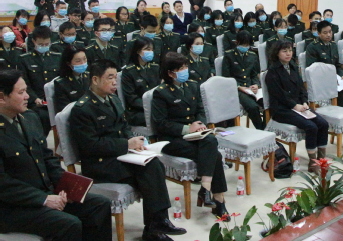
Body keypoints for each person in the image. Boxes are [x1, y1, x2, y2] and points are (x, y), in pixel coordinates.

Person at [70, 60, 186, 241]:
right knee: (150, 171)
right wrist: (126, 144)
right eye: (110, 78)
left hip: (119, 156)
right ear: (95, 80)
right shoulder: (83, 109)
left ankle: (156, 224)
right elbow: (91, 146)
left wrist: (135, 142)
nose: (114, 82)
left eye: (115, 78)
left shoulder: (114, 99)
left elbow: (124, 127)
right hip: (99, 164)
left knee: (153, 163)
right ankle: (155, 226)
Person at [0, 69, 112, 241]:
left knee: (99, 205)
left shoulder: (29, 118)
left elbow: (47, 158)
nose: (27, 96)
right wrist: (43, 199)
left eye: (26, 91)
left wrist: (66, 185)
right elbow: (3, 184)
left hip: (44, 192)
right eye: (21, 92)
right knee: (69, 224)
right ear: (2, 97)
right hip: (13, 207)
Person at [153, 52, 230, 219]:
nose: (185, 71)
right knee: (214, 154)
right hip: (172, 140)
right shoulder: (161, 93)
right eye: (181, 68)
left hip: (196, 136)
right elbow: (161, 124)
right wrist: (187, 128)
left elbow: (201, 110)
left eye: (186, 67)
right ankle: (217, 199)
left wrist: (201, 124)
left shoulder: (193, 86)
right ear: (170, 73)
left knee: (210, 140)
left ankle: (206, 190)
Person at [265, 40, 329, 173]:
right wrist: (295, 106)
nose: (288, 53)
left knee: (323, 124)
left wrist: (304, 101)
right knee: (311, 127)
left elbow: (302, 88)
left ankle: (321, 159)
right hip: (282, 109)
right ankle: (313, 162)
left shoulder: (293, 66)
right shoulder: (272, 71)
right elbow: (279, 95)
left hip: (299, 106)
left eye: (290, 50)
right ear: (277, 53)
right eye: (284, 51)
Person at [18, 26, 61, 137]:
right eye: (41, 44)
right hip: (36, 101)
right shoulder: (25, 59)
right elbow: (25, 83)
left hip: (55, 100)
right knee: (42, 117)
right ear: (34, 41)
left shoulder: (57, 57)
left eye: (47, 44)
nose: (44, 46)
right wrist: (34, 98)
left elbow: (61, 80)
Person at [222, 31, 264, 130]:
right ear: (237, 42)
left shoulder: (252, 55)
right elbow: (226, 77)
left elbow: (254, 74)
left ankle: (266, 127)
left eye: (247, 45)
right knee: (253, 107)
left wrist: (256, 84)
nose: (245, 47)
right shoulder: (229, 55)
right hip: (237, 89)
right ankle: (262, 130)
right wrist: (239, 87)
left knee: (269, 103)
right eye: (243, 44)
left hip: (250, 87)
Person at [305, 21, 343, 108]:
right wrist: (331, 79)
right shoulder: (312, 47)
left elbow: (337, 65)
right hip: (321, 81)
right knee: (340, 94)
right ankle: (342, 112)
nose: (329, 35)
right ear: (319, 33)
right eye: (325, 33)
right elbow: (313, 70)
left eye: (330, 32)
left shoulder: (333, 45)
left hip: (335, 78)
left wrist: (341, 76)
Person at [121, 37, 161, 126]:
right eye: (147, 49)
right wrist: (150, 106)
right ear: (138, 51)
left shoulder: (155, 68)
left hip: (155, 106)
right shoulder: (129, 71)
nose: (150, 52)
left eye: (152, 50)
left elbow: (159, 90)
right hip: (137, 111)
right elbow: (131, 98)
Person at [54, 46, 90, 113]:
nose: (83, 63)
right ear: (68, 63)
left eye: (84, 59)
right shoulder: (61, 83)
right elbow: (64, 110)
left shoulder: (90, 76)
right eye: (78, 61)